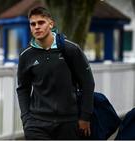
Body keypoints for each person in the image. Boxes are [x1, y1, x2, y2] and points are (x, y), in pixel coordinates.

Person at [16, 6, 95, 140]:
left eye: (41, 22)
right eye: (33, 24)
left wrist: (85, 117)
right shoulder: (26, 55)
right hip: (37, 123)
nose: (36, 27)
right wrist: (26, 119)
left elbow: (88, 84)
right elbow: (23, 88)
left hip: (69, 122)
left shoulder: (71, 49)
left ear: (51, 24)